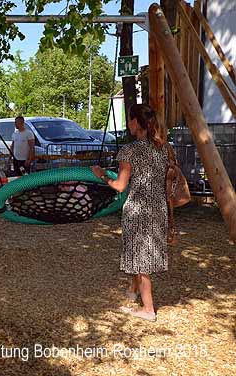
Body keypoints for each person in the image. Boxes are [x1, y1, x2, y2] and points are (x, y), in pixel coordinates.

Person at [90, 103, 169, 322]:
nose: (128, 125)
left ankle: (148, 309)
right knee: (140, 255)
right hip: (158, 207)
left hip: (138, 209)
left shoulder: (129, 150)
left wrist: (102, 175)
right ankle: (133, 293)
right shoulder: (162, 147)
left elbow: (120, 186)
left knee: (141, 259)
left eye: (129, 120)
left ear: (136, 122)